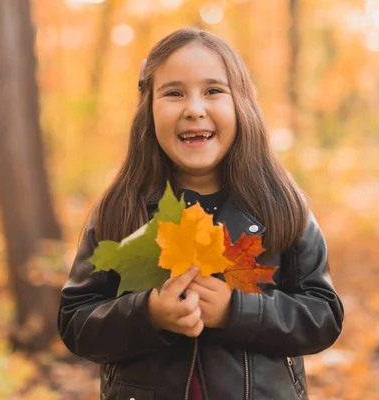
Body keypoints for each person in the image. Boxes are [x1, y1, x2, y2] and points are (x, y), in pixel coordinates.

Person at [58, 27, 344, 400]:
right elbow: (76, 321)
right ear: (148, 111)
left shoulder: (281, 205)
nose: (194, 109)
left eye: (213, 91)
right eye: (174, 93)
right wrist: (147, 315)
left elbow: (323, 316)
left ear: (241, 104)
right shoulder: (121, 209)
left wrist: (236, 311)